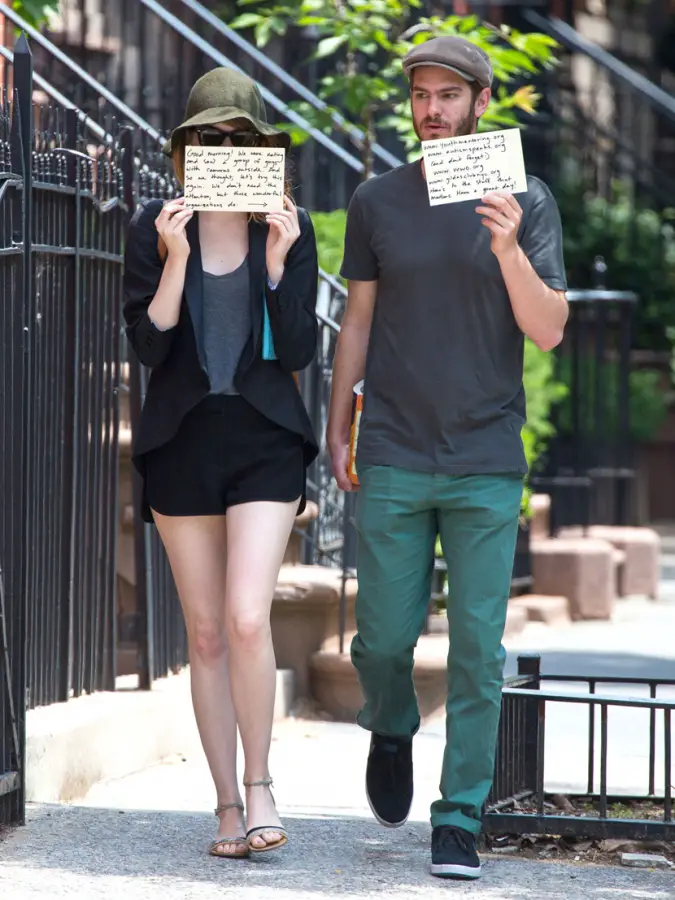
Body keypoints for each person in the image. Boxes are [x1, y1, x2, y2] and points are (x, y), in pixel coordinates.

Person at [327, 35, 568, 880]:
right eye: (420, 96)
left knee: (475, 649)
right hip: (394, 445)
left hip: (485, 455)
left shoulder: (525, 199)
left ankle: (458, 816)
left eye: (447, 96)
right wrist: (337, 424)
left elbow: (548, 329)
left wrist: (507, 248)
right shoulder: (377, 200)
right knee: (382, 641)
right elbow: (357, 321)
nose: (431, 111)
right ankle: (391, 723)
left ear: (479, 102)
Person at [123, 67, 319, 859]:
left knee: (244, 617)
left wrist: (277, 264)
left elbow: (298, 351)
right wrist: (173, 256)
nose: (224, 148)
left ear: (262, 149)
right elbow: (148, 346)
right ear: (186, 149)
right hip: (183, 441)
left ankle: (262, 782)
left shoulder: (287, 225)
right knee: (205, 634)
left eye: (239, 138)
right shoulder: (155, 223)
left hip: (265, 438)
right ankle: (227, 806)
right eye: (209, 137)